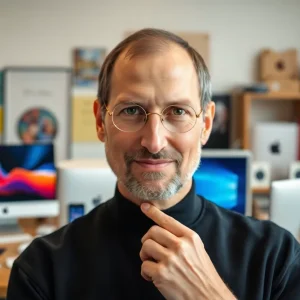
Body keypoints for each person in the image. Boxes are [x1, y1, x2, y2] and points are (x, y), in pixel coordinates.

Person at [7, 28, 300, 300]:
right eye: (131, 110)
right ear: (100, 121)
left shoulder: (276, 257)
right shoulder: (41, 270)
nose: (154, 142)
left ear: (207, 124)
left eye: (178, 111)